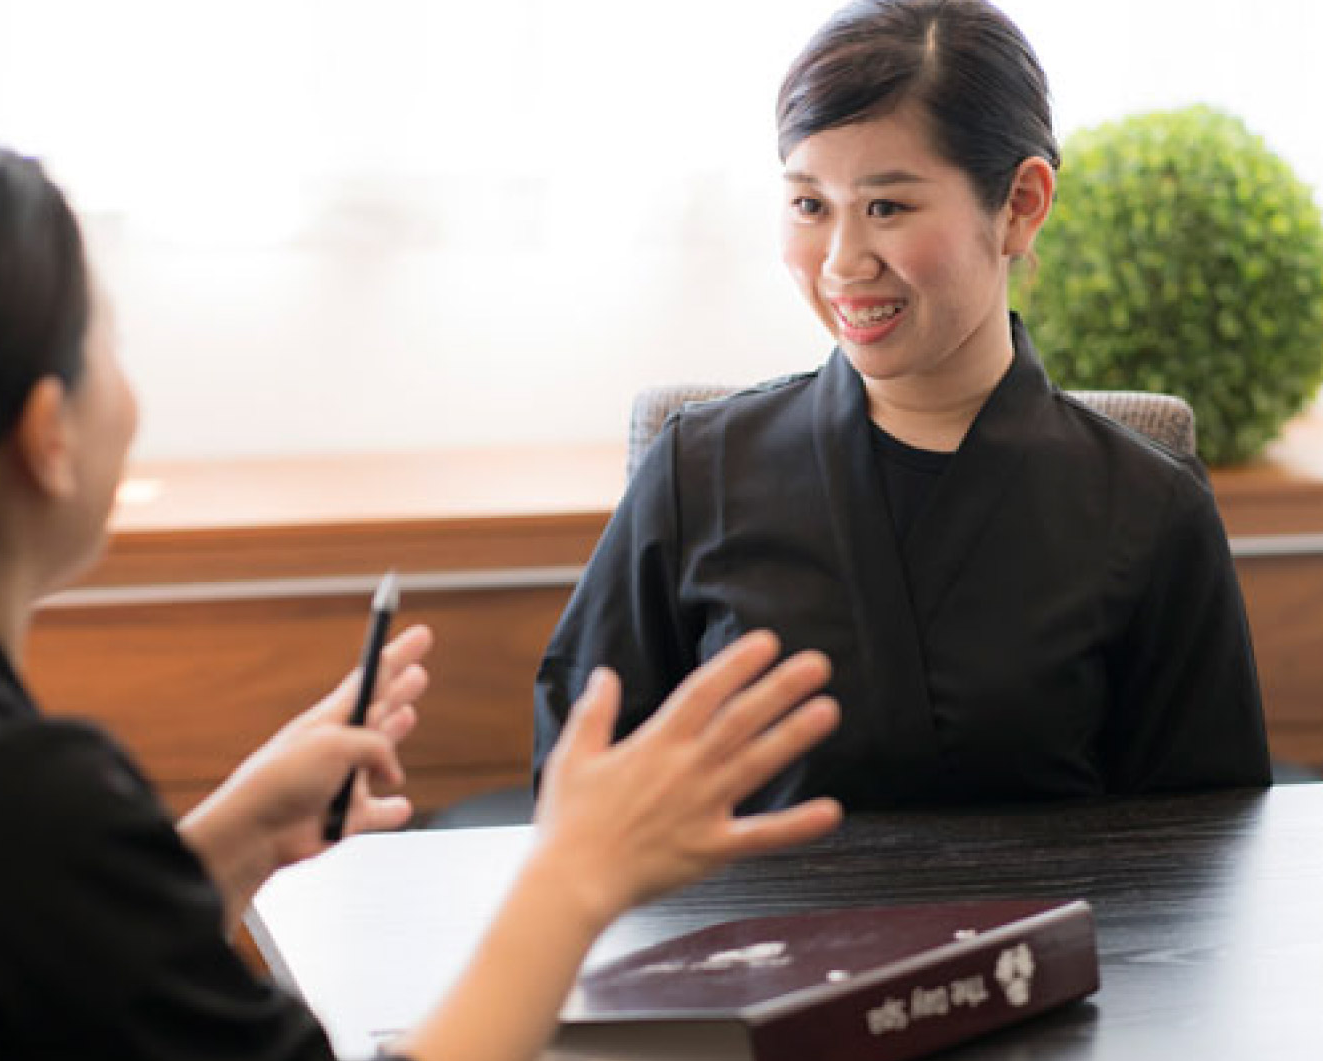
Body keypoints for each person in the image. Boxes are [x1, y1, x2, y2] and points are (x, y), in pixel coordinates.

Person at [0, 127, 843, 1061]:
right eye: (105, 345)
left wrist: (222, 844)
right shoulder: (26, 807)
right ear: (46, 436)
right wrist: (574, 876)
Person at [535, 0, 1271, 811]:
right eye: (811, 206)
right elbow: (580, 790)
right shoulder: (696, 469)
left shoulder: (1150, 504)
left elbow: (1204, 837)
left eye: (886, 207)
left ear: (1021, 203)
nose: (842, 263)